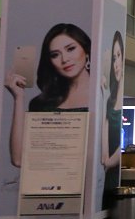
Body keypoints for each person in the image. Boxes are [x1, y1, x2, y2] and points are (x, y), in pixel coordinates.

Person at [5, 23, 91, 168]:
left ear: (86, 51)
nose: (64, 59)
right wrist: (18, 98)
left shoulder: (102, 98)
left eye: (71, 49)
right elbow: (18, 159)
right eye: (55, 55)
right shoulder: (42, 103)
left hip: (87, 185)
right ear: (50, 61)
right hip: (47, 184)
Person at [99, 31, 125, 210]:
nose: (116, 63)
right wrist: (101, 95)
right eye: (113, 58)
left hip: (114, 171)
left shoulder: (120, 100)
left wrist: (109, 161)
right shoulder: (110, 101)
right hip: (108, 173)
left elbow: (108, 160)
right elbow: (104, 155)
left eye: (119, 56)